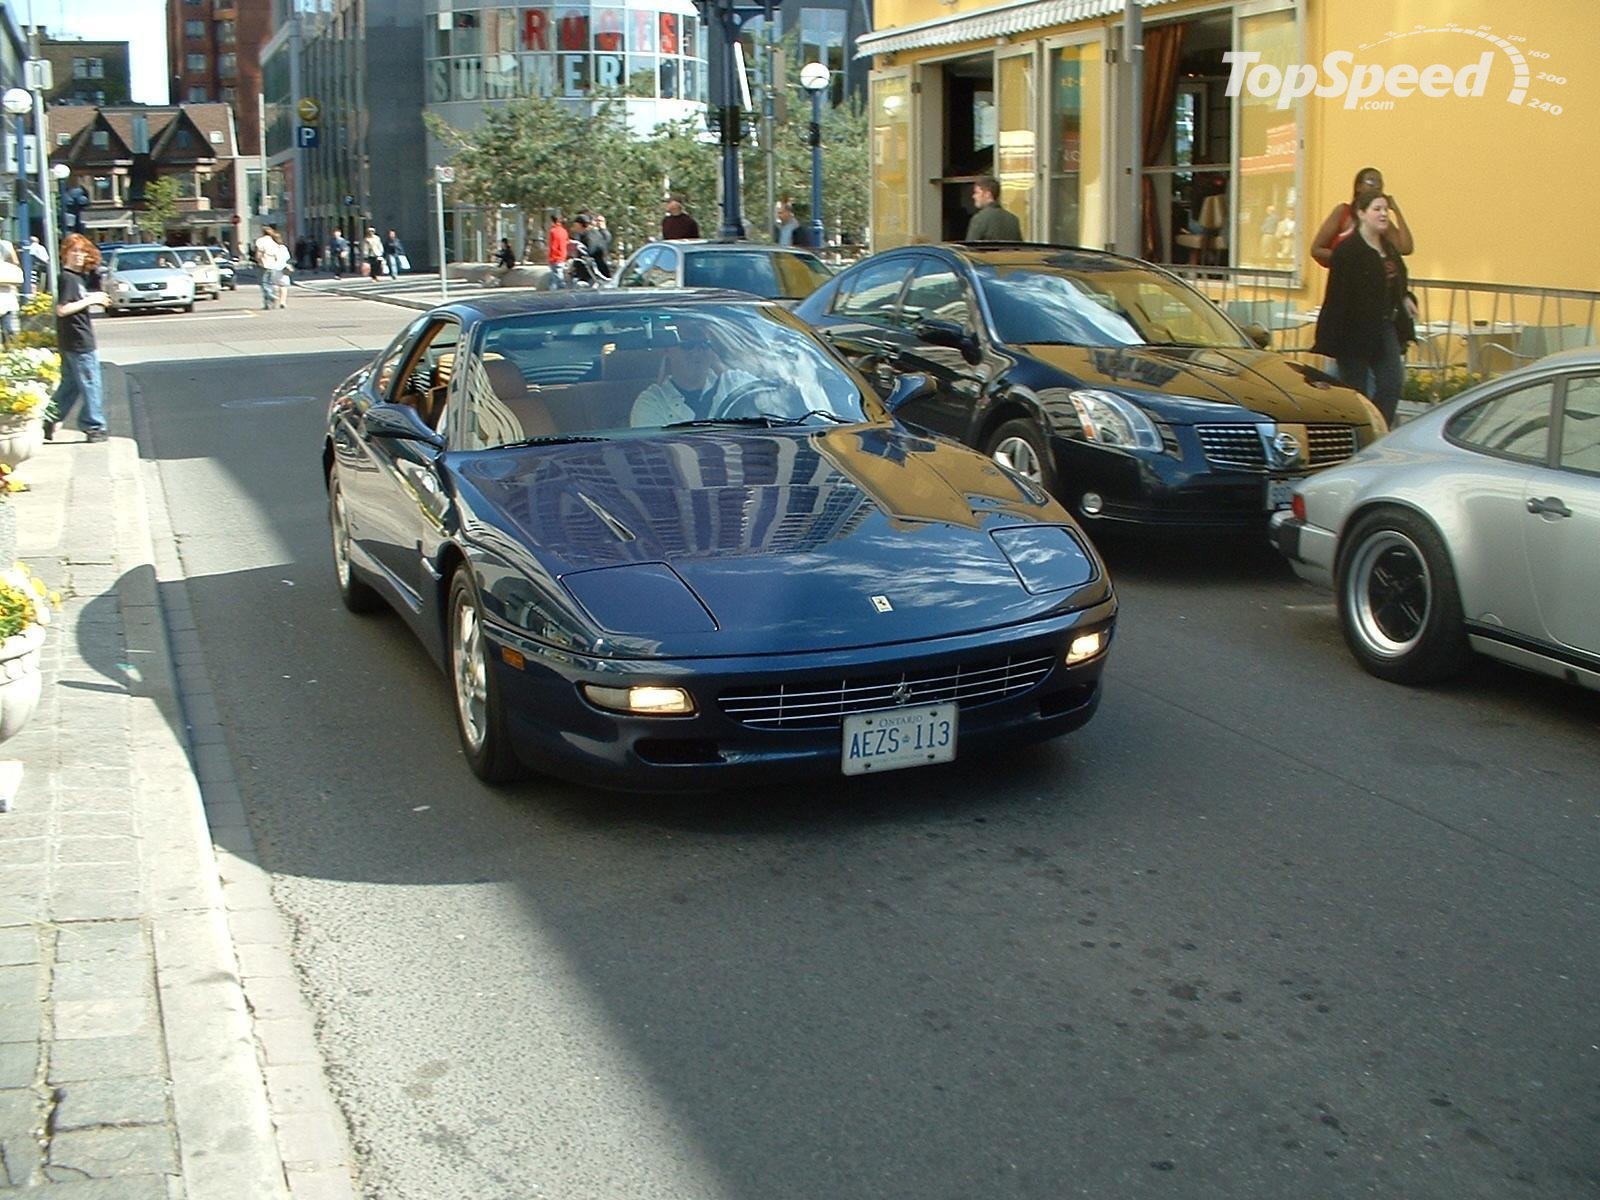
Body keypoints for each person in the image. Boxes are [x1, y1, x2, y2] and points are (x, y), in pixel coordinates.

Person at [1312, 189, 1415, 427]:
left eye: (1385, 210)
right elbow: (1337, 296)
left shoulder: (1388, 249)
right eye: (1377, 209)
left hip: (1385, 326)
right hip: (1354, 330)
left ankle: (1378, 429)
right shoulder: (1349, 251)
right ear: (1362, 213)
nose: (1383, 214)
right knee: (1355, 390)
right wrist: (1333, 338)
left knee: (1392, 382)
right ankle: (1357, 433)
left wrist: (1407, 298)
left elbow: (1398, 282)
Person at [44, 234, 110, 443]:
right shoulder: (69, 278)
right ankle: (94, 426)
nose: (79, 256)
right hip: (79, 340)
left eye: (82, 251)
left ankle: (49, 418)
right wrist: (93, 299)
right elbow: (62, 309)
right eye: (74, 251)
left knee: (70, 385)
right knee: (91, 384)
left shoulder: (76, 278)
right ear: (65, 254)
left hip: (71, 339)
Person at [629, 323, 756, 427]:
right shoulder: (652, 401)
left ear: (712, 351)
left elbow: (771, 401)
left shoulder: (735, 383)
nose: (697, 352)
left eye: (704, 345)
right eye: (687, 345)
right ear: (667, 350)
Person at [1310, 166, 1414, 269]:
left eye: (1380, 183)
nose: (1377, 187)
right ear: (1358, 187)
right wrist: (1350, 258)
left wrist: (1396, 211)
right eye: (1371, 182)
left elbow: (1405, 248)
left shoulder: (1379, 220)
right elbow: (1316, 249)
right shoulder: (1343, 212)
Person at [965, 176, 1022, 241]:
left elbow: (969, 248)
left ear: (988, 194)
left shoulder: (979, 219)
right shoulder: (1013, 220)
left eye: (977, 192)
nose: (974, 196)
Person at [254, 224, 289, 310]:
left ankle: (271, 298)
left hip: (264, 265)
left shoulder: (260, 241)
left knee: (265, 284)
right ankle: (269, 303)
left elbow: (259, 253)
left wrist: (259, 262)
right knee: (271, 284)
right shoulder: (274, 242)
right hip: (274, 265)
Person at [572, 215, 609, 279]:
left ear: (580, 225)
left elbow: (589, 251)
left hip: (594, 274)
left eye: (575, 225)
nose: (574, 228)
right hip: (594, 272)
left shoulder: (590, 235)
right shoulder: (591, 233)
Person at [0, 240, 21, 347]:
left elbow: (15, 262)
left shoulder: (5, 244)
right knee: (7, 324)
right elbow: (15, 262)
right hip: (5, 290)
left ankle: (9, 347)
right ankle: (10, 347)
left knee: (7, 324)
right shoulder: (6, 244)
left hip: (4, 290)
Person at [545, 212, 569, 288]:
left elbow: (553, 245)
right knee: (558, 276)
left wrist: (550, 257)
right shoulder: (564, 231)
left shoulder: (553, 231)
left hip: (555, 257)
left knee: (556, 278)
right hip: (562, 256)